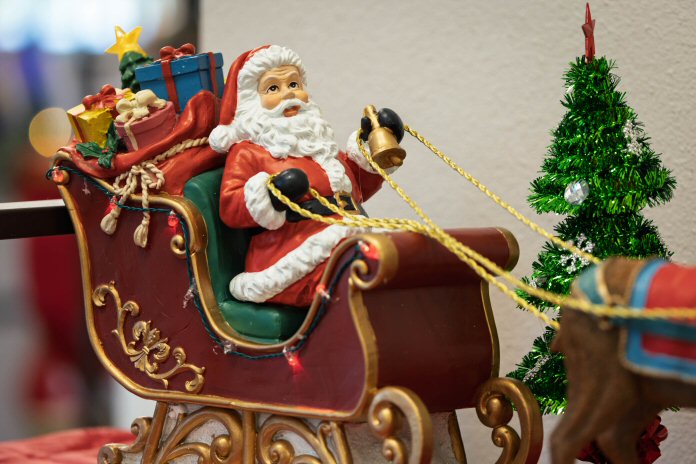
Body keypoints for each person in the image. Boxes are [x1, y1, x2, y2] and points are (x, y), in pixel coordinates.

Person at [209, 45, 404, 307]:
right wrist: (272, 194)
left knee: (401, 256)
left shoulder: (318, 144)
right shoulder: (248, 152)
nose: (289, 93)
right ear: (252, 102)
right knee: (363, 272)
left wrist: (373, 150)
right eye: (273, 88)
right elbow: (230, 205)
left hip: (346, 236)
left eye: (294, 84)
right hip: (290, 257)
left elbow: (354, 188)